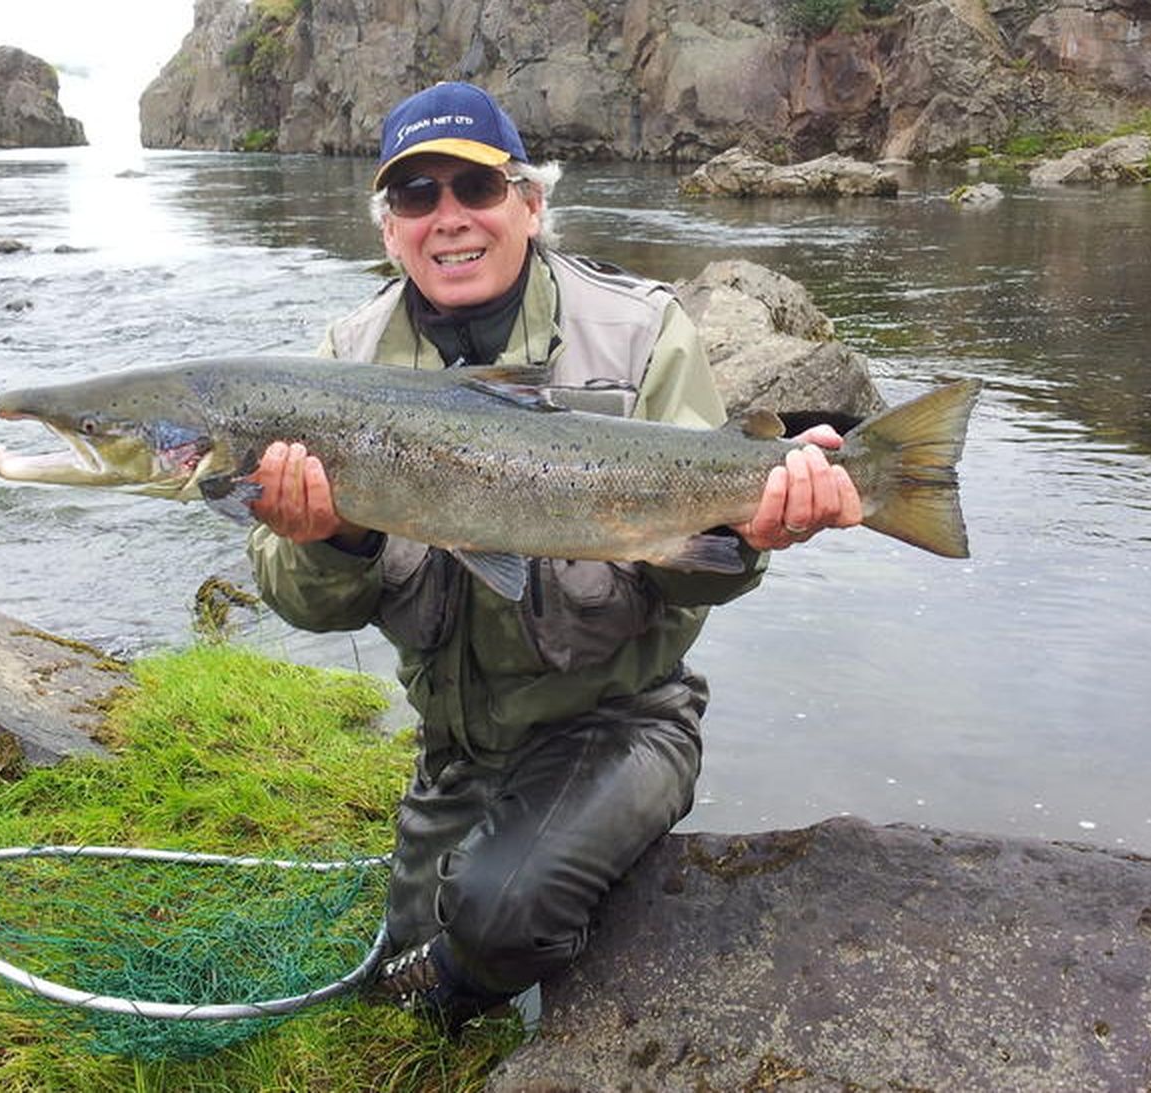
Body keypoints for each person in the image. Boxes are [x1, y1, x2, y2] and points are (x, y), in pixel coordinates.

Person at [246, 82, 861, 1030]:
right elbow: (309, 603)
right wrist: (335, 533)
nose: (449, 218)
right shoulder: (347, 356)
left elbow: (701, 575)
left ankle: (579, 909)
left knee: (493, 925)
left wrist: (749, 531)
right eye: (417, 197)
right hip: (459, 745)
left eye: (476, 189)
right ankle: (529, 888)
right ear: (389, 230)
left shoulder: (641, 329)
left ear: (531, 204)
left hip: (619, 718)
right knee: (420, 960)